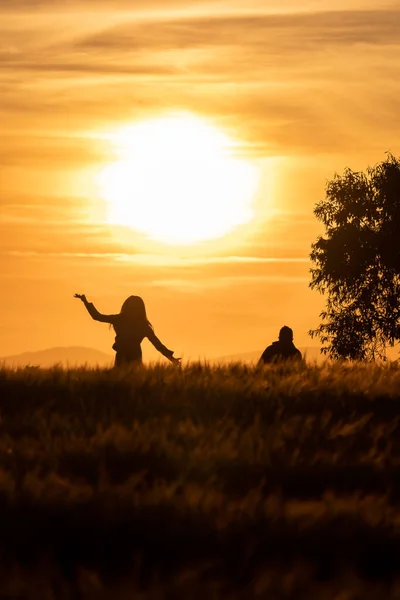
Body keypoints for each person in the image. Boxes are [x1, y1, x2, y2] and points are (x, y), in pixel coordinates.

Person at [74, 294, 181, 367]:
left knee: (120, 381)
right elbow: (158, 345)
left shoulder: (119, 319)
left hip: (122, 354)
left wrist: (85, 302)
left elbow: (97, 316)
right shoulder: (143, 325)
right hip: (135, 355)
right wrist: (171, 358)